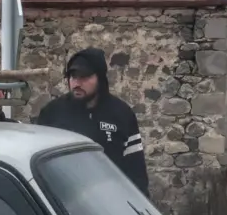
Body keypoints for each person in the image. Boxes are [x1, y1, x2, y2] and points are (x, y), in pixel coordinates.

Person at [34, 47, 149, 197]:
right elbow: (38, 166)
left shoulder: (121, 114)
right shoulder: (52, 113)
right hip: (64, 201)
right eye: (73, 76)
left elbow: (136, 172)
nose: (77, 83)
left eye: (84, 77)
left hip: (109, 202)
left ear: (100, 78)